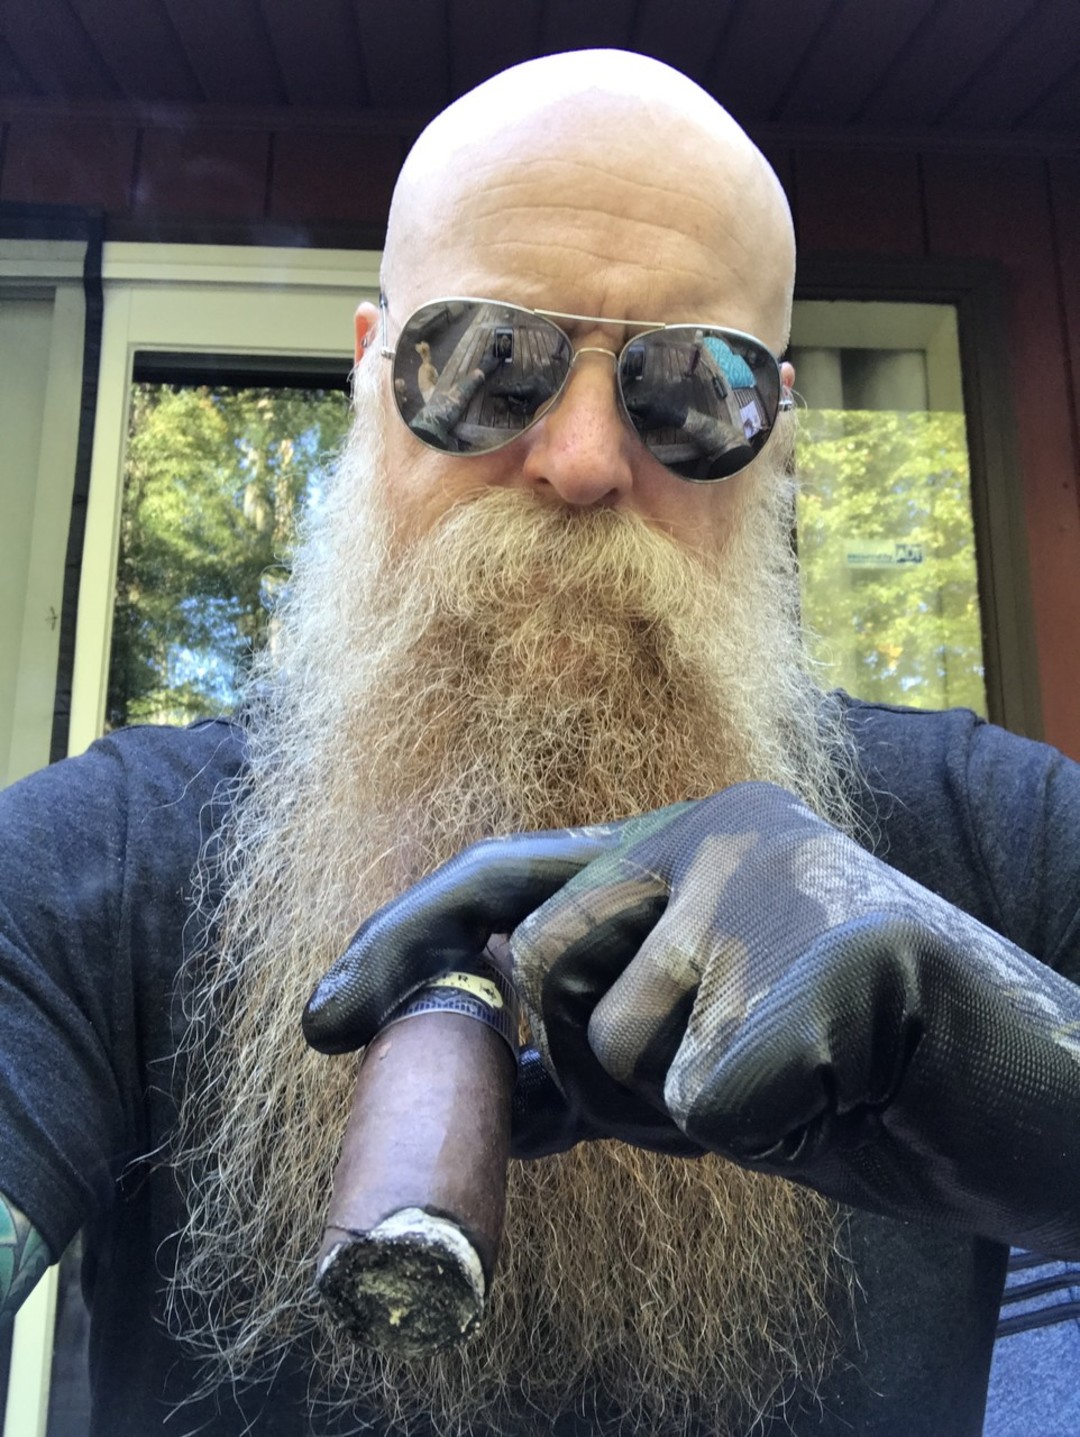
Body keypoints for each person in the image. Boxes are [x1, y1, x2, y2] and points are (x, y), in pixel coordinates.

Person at [1, 47, 1079, 1437]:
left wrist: (1008, 1072)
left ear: (774, 429)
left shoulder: (1000, 838)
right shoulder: (94, 866)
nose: (580, 461)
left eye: (687, 386)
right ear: (372, 371)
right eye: (488, 362)